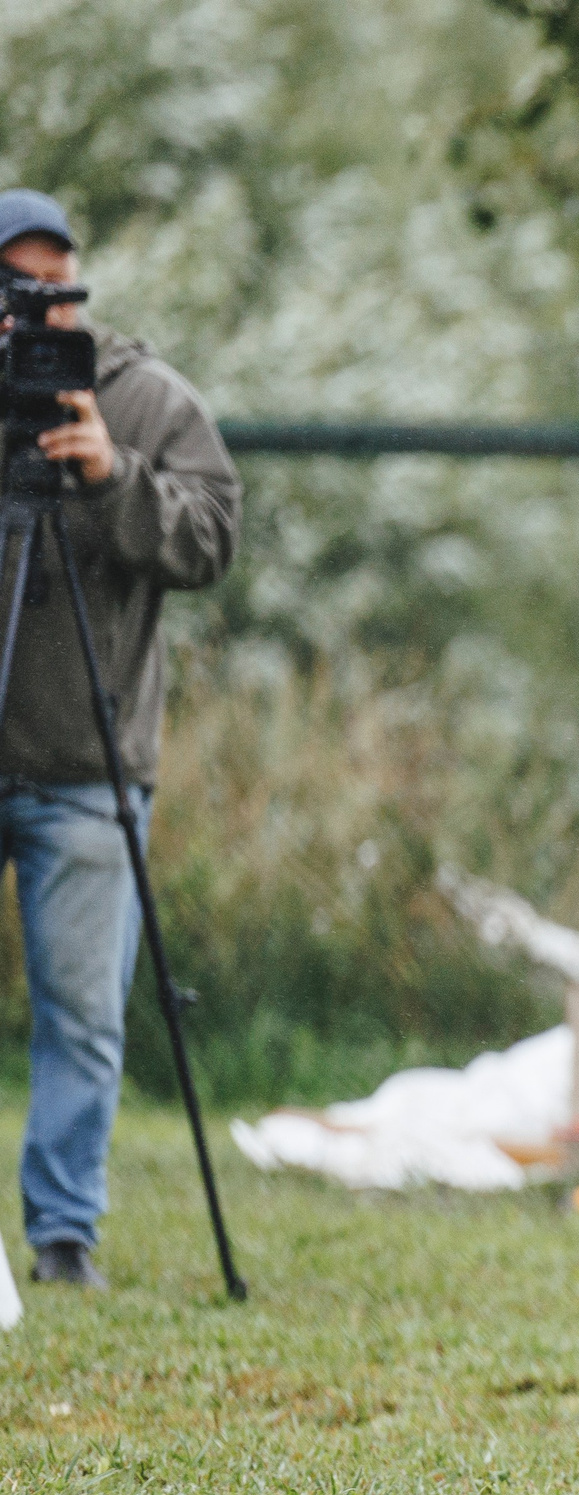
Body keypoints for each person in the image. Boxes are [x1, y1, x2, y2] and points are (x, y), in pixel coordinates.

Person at [0, 190, 240, 1290]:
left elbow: (212, 537)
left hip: (89, 765)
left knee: (85, 1016)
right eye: (17, 286)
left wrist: (112, 476)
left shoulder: (144, 399)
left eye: (56, 284)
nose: (39, 307)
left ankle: (63, 1237)